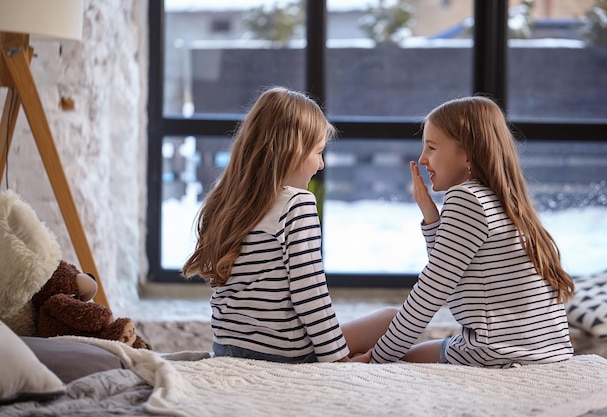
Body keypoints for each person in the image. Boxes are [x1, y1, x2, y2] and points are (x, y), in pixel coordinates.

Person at [181, 86, 393, 364]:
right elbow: (310, 294)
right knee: (393, 318)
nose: (320, 165)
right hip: (283, 353)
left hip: (227, 348)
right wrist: (338, 362)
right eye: (318, 152)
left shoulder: (226, 200)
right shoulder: (296, 203)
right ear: (292, 151)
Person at [370, 96, 575, 367]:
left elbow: (433, 289)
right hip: (545, 352)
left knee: (390, 335)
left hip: (497, 352)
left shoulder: (466, 198)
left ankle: (309, 353)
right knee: (393, 328)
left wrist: (377, 359)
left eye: (431, 147)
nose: (422, 159)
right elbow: (453, 268)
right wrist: (432, 218)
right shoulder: (505, 199)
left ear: (467, 153)